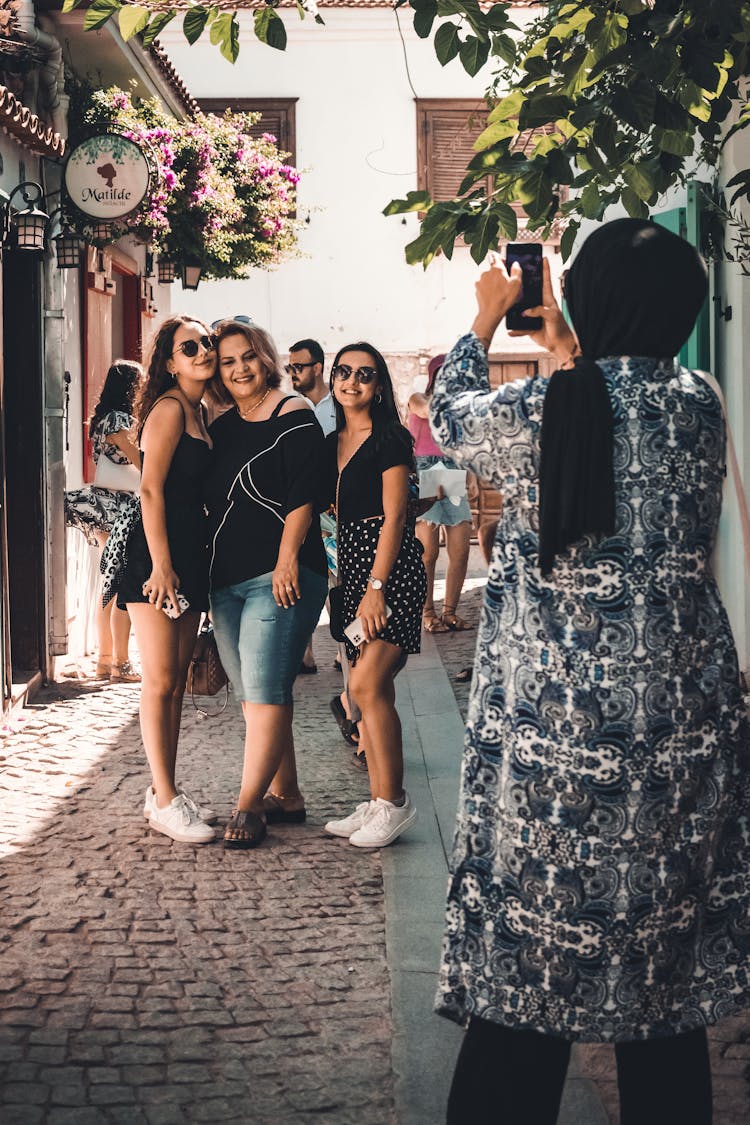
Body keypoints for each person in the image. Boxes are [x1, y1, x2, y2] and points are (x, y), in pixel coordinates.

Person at [431, 219, 750, 1125]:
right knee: (664, 987)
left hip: (556, 741)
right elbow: (616, 394)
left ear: (582, 298)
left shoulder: (537, 411)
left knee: (529, 983)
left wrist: (486, 321)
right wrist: (577, 343)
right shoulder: (700, 402)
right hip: (680, 736)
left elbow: (451, 419)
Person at [206, 320, 328, 850]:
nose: (239, 368)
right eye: (228, 361)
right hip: (226, 580)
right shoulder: (224, 426)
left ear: (266, 357)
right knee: (257, 697)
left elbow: (308, 492)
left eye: (247, 356)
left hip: (281, 575)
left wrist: (286, 560)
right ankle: (289, 796)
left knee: (263, 694)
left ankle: (249, 805)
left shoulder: (292, 411)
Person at [106, 317, 217, 845]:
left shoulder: (199, 411)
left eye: (207, 343)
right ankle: (166, 797)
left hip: (185, 557)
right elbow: (150, 491)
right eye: (189, 347)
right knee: (160, 681)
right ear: (170, 362)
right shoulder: (170, 410)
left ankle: (163, 792)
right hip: (156, 559)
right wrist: (161, 565)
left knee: (175, 681)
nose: (203, 351)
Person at [323, 342, 426, 849]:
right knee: (371, 692)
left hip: (390, 574)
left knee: (365, 686)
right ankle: (379, 799)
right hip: (348, 575)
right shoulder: (330, 441)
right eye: (343, 371)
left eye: (364, 374)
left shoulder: (391, 438)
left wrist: (375, 589)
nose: (352, 381)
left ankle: (396, 803)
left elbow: (395, 517)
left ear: (379, 385)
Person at [65, 361, 143, 682]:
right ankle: (119, 663)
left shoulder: (100, 420)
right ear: (130, 387)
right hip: (120, 508)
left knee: (109, 586)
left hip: (105, 506)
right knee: (119, 586)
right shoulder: (120, 421)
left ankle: (106, 660)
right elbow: (140, 459)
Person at [408, 355, 474, 634]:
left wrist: (472, 478)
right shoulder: (417, 398)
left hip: (453, 470)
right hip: (427, 470)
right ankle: (427, 613)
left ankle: (450, 613)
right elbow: (424, 411)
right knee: (428, 552)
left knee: (460, 549)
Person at [286, 338, 335, 676]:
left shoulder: (339, 406)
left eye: (299, 367)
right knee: (303, 576)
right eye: (289, 367)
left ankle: (346, 646)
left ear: (317, 368)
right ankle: (304, 654)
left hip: (334, 508)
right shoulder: (292, 406)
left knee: (339, 581)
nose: (293, 373)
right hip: (303, 508)